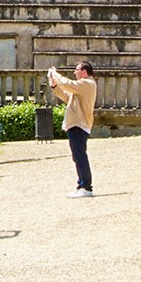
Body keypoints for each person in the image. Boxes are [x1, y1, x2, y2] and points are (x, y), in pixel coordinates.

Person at [48, 61, 98, 198]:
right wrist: (54, 84)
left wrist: (55, 74)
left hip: (79, 124)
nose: (75, 72)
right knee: (77, 157)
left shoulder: (87, 84)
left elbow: (68, 84)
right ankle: (82, 185)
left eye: (77, 70)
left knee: (80, 157)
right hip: (75, 124)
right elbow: (66, 95)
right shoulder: (81, 87)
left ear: (84, 72)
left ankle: (86, 186)